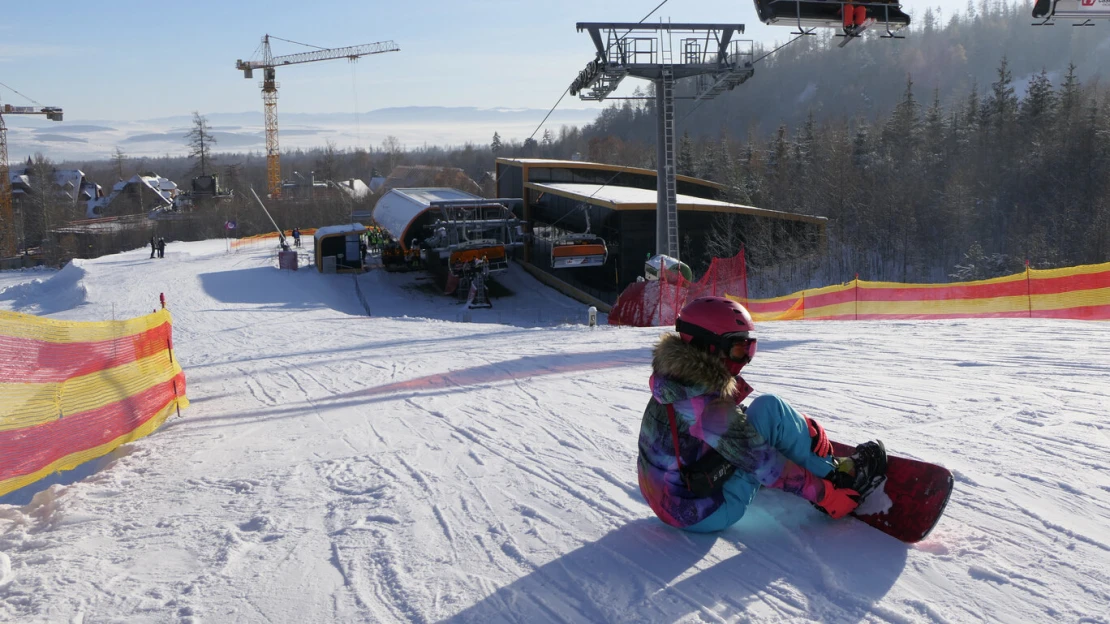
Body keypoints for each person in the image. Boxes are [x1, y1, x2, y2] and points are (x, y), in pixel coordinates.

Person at [637, 296, 886, 532]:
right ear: (707, 346)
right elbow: (765, 462)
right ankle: (840, 476)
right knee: (770, 410)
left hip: (672, 501)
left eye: (750, 347)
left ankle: (801, 457)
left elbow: (704, 431)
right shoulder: (705, 409)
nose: (746, 358)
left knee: (761, 419)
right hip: (704, 513)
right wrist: (826, 495)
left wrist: (743, 426)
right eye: (738, 348)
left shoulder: (674, 383)